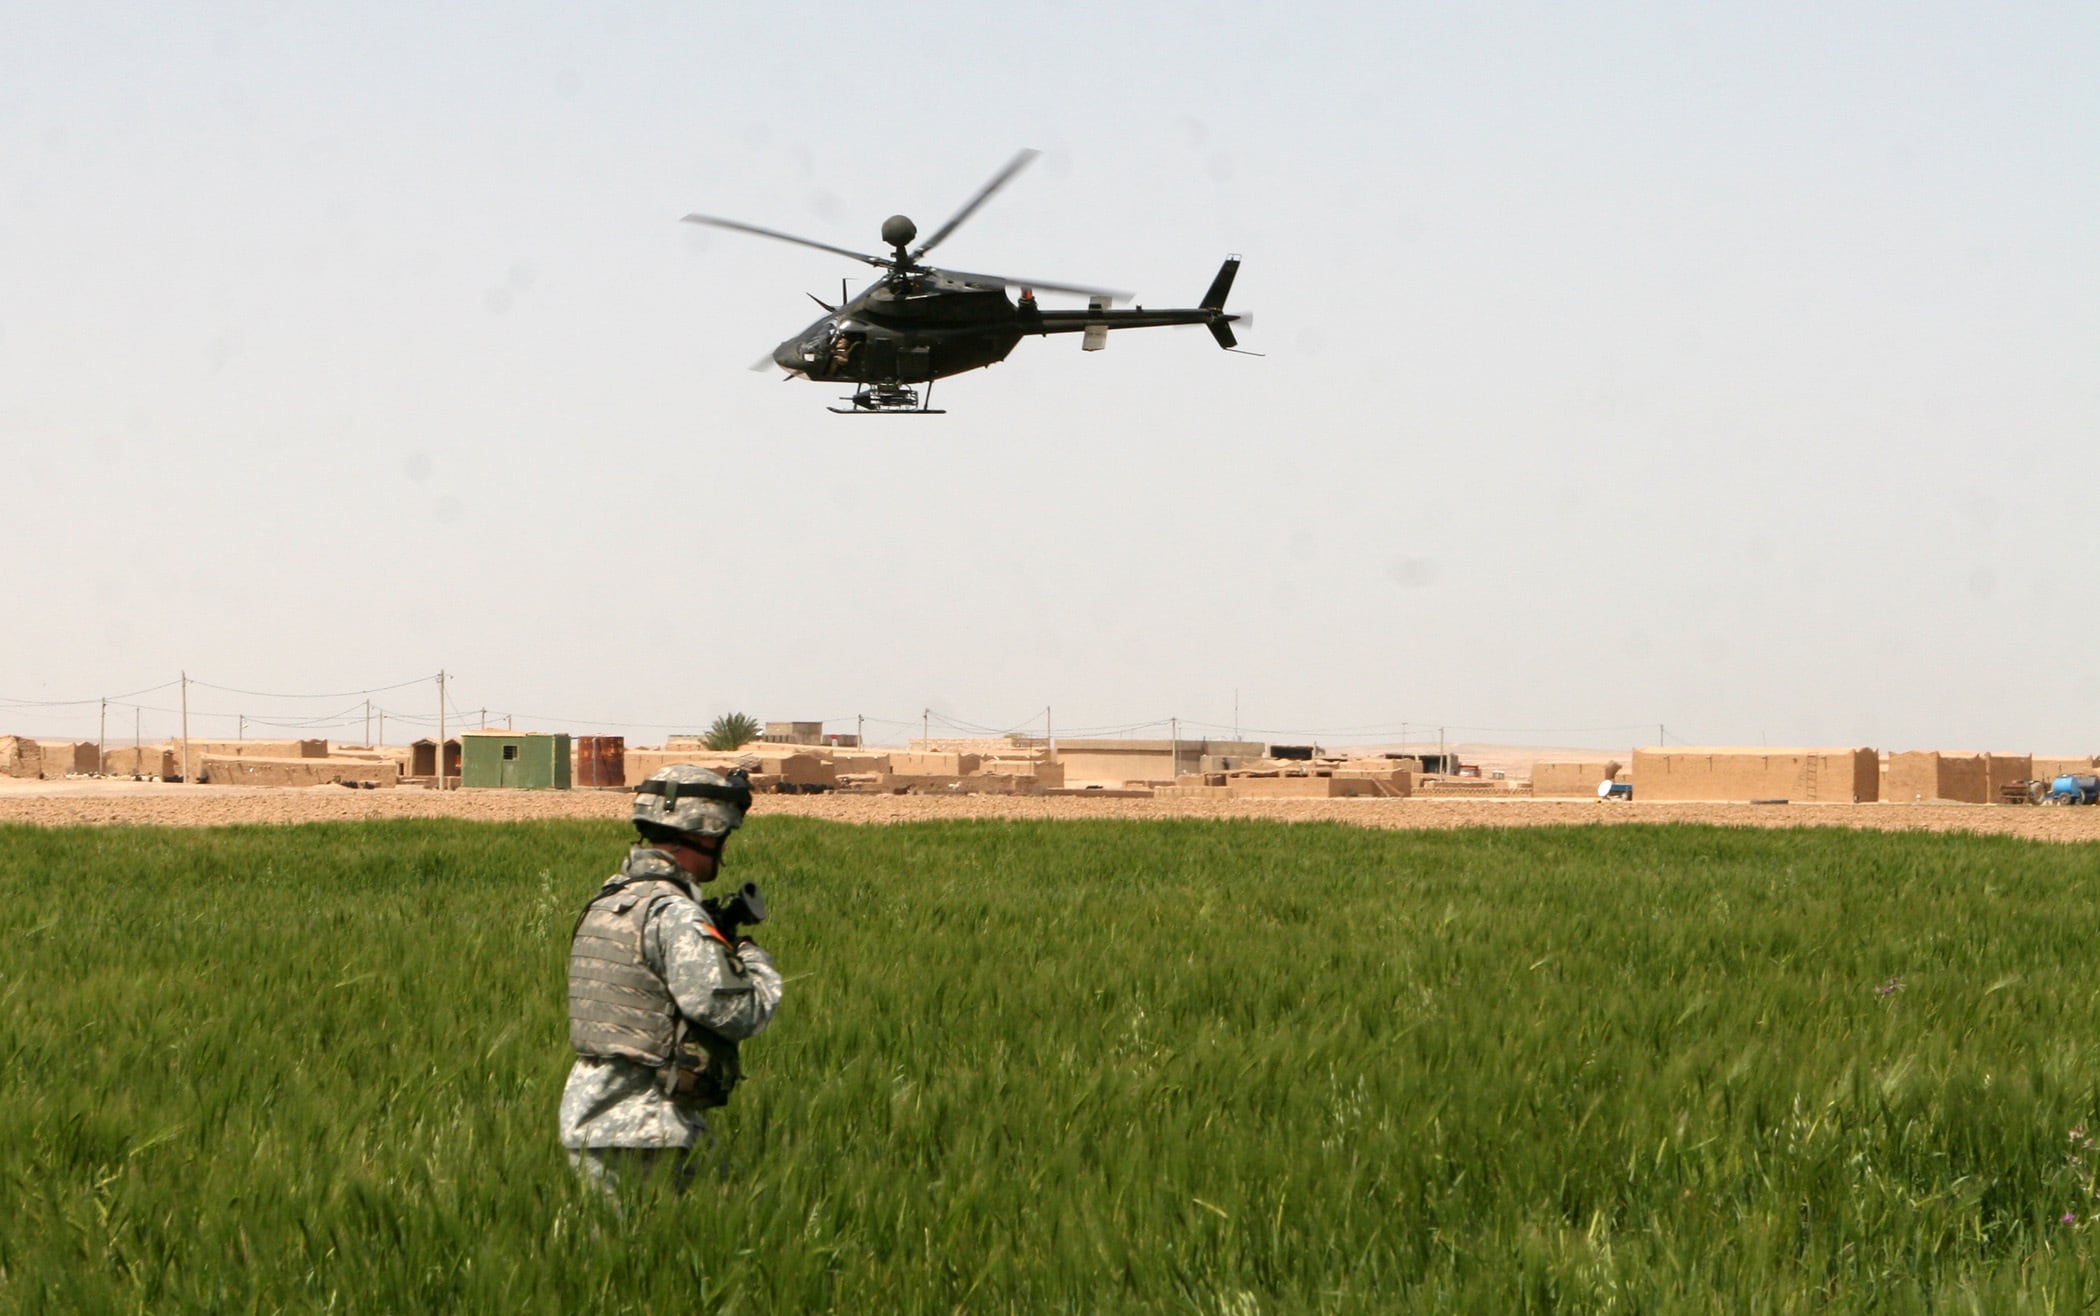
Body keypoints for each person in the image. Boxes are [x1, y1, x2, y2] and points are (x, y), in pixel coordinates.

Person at [559, 764, 784, 1194]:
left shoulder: (610, 899)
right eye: (722, 837)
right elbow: (734, 1012)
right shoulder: (674, 913)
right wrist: (753, 962)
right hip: (650, 1129)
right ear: (704, 834)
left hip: (588, 1119)